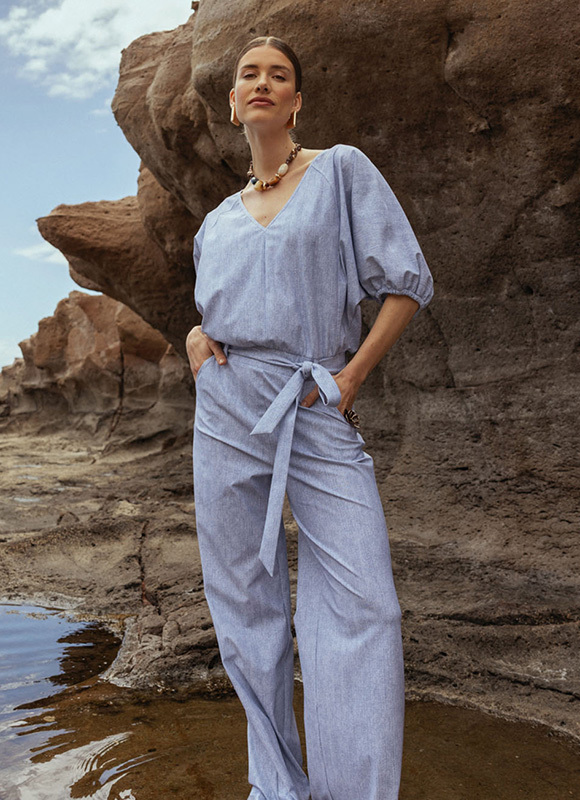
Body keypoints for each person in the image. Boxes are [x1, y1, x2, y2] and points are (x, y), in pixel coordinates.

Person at [186, 35, 434, 800]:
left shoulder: (340, 170)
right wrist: (196, 342)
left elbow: (407, 283)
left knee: (366, 604)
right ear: (233, 104)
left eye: (279, 75)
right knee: (243, 604)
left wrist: (351, 377)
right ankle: (278, 788)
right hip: (226, 407)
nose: (262, 83)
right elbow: (213, 309)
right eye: (248, 76)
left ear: (297, 100)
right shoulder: (216, 221)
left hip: (312, 398)